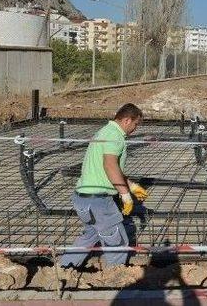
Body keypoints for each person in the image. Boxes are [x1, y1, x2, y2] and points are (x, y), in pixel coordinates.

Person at [61, 103, 148, 268]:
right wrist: (125, 195)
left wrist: (131, 186)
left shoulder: (104, 131)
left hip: (82, 199)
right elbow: (110, 166)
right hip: (99, 202)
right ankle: (116, 279)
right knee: (118, 242)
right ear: (127, 120)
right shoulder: (115, 135)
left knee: (90, 235)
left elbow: (108, 169)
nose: (135, 129)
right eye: (136, 124)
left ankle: (64, 269)